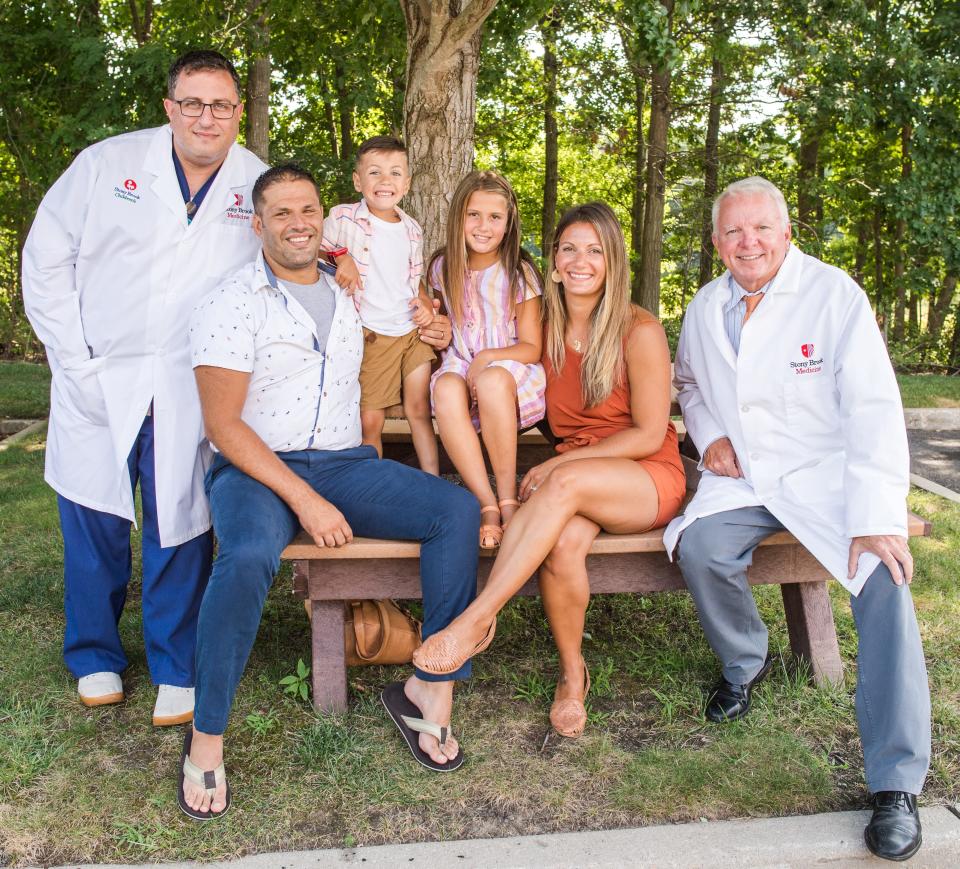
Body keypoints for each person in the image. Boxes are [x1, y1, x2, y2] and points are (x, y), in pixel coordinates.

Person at [180, 163, 478, 820]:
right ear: (258, 225)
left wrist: (434, 329)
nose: (297, 223)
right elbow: (223, 426)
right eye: (281, 213)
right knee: (250, 553)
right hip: (257, 469)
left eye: (307, 210)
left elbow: (404, 327)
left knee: (454, 510)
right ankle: (207, 732)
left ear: (326, 217)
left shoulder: (349, 290)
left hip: (343, 463)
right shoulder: (232, 301)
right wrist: (305, 501)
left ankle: (431, 688)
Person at [662, 177, 930, 862]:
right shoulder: (703, 306)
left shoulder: (833, 294)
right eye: (733, 231)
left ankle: (895, 782)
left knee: (886, 579)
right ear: (717, 242)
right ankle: (744, 663)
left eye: (761, 228)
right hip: (744, 476)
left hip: (826, 476)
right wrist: (709, 431)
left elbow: (873, 403)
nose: (747, 242)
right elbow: (689, 383)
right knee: (700, 548)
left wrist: (876, 514)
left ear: (787, 232)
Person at [21, 50, 267, 726]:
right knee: (93, 514)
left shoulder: (257, 183)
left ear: (238, 112)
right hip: (101, 370)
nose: (206, 117)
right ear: (169, 107)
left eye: (220, 104)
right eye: (192, 103)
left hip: (194, 381)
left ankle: (174, 663)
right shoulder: (106, 165)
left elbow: (294, 259)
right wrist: (73, 358)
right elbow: (44, 259)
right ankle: (95, 652)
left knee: (180, 519)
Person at [412, 202, 686, 739]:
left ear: (613, 261)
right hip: (577, 481)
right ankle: (572, 675)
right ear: (554, 261)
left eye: (595, 250)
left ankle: (474, 621)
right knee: (561, 548)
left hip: (642, 473)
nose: (581, 260)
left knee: (561, 484)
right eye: (569, 249)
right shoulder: (542, 327)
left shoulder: (638, 329)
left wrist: (564, 461)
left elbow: (651, 433)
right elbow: (482, 356)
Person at [430, 171, 546, 547]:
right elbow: (433, 321)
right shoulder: (441, 267)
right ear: (458, 218)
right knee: (446, 390)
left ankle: (508, 499)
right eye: (474, 215)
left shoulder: (519, 272)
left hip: (510, 366)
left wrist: (489, 357)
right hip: (460, 362)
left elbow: (531, 346)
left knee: (493, 380)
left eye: (495, 217)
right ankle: (486, 504)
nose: (484, 226)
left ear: (509, 221)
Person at [322, 135, 438, 472]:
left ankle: (430, 483)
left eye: (395, 173)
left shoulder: (412, 228)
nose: (385, 181)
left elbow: (412, 278)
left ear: (407, 182)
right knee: (370, 420)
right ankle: (373, 481)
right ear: (358, 180)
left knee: (418, 409)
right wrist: (341, 257)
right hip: (372, 335)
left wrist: (425, 301)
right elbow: (313, 246)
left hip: (411, 331)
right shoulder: (343, 218)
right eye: (375, 173)